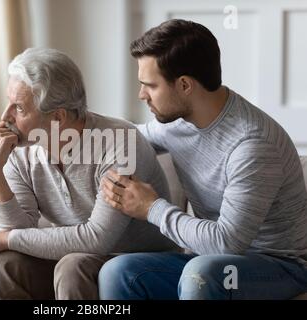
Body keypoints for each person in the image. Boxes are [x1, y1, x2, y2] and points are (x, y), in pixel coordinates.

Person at [98, 19, 307, 300]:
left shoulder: (252, 144)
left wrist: (151, 208)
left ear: (184, 85)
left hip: (279, 267)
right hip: (206, 260)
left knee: (203, 272)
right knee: (119, 271)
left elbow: (226, 243)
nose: (141, 95)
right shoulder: (176, 123)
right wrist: (49, 133)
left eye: (150, 85)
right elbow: (123, 138)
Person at [0, 47, 177, 300]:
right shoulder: (19, 149)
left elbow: (97, 238)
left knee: (73, 267)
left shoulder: (119, 142)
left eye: (20, 109)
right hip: (76, 258)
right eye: (8, 103)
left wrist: (7, 239)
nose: (5, 117)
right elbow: (13, 231)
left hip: (137, 264)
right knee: (4, 265)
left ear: (58, 117)